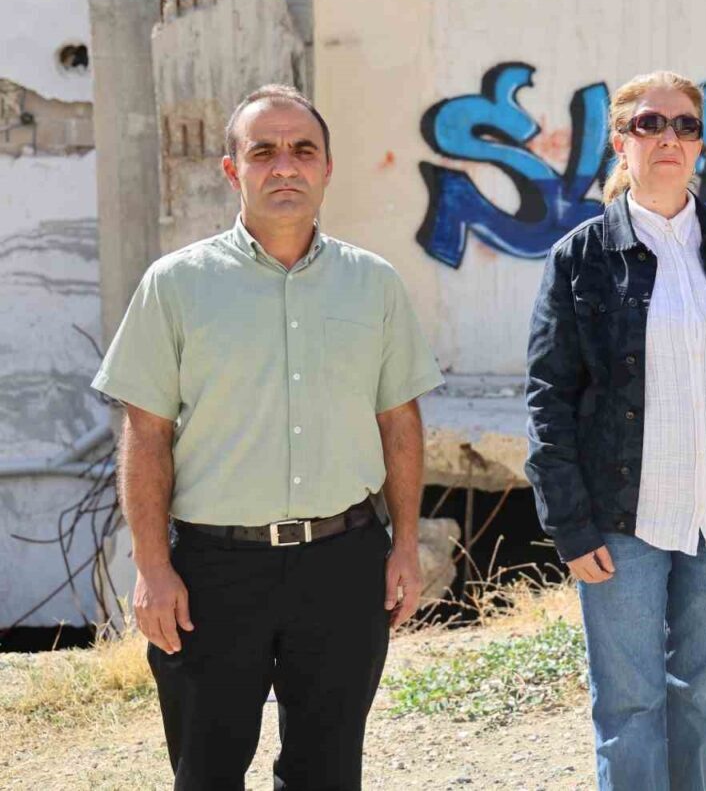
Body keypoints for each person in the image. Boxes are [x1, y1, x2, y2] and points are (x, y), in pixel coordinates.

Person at [92, 84, 444, 790]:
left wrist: (405, 544)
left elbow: (399, 423)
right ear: (233, 170)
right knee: (206, 772)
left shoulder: (373, 284)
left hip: (343, 565)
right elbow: (146, 433)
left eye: (303, 150)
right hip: (212, 573)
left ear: (326, 168)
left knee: (327, 772)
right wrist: (153, 567)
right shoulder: (176, 284)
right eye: (264, 152)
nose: (285, 166)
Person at [524, 70, 706, 790]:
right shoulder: (580, 257)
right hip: (624, 520)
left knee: (697, 699)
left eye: (685, 125)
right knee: (629, 707)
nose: (669, 138)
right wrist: (570, 525)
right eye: (650, 124)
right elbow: (549, 398)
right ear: (620, 142)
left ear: (700, 144)